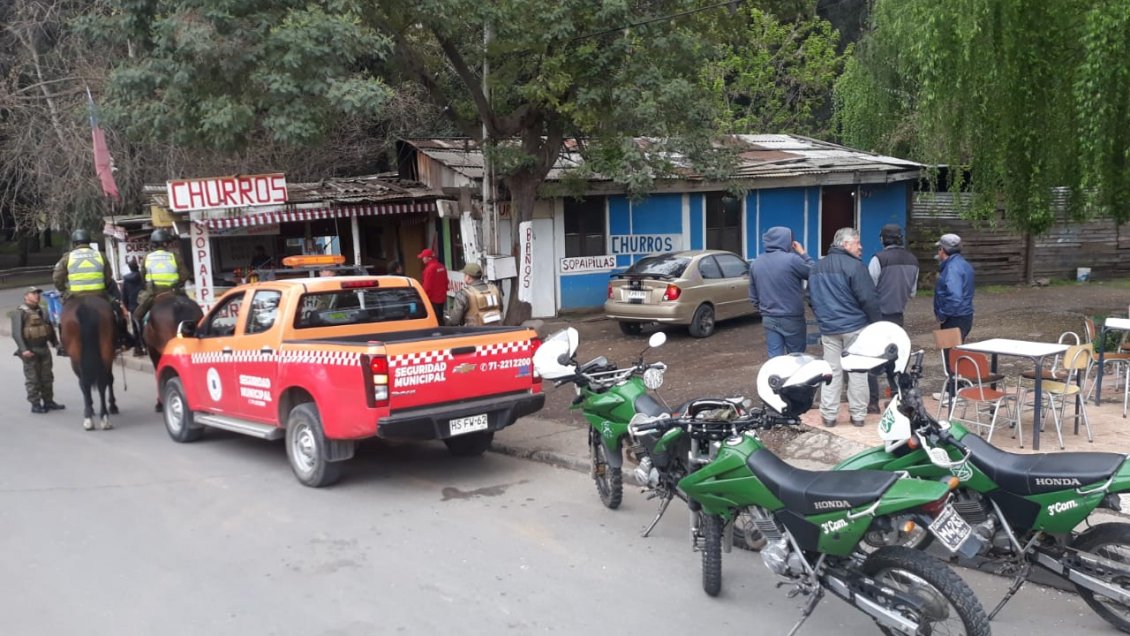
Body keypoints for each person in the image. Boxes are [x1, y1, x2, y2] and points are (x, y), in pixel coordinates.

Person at [808, 227, 880, 428]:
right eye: (857, 242)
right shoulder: (856, 267)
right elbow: (868, 299)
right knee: (857, 372)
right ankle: (858, 415)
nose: (861, 246)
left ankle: (829, 415)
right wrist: (878, 325)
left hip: (829, 329)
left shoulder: (816, 267)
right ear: (845, 244)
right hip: (855, 328)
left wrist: (824, 317)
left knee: (831, 372)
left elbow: (810, 299)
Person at [866, 224, 919, 412]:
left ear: (883, 239)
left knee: (871, 359)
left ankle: (873, 402)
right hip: (898, 317)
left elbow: (868, 289)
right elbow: (912, 292)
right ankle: (898, 397)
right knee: (896, 359)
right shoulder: (913, 260)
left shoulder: (878, 259)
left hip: (877, 317)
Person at [54, 229, 128, 348]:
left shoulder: (67, 257)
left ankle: (63, 345)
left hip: (75, 295)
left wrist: (64, 290)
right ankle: (121, 338)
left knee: (62, 318)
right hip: (99, 294)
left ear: (74, 243)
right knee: (116, 313)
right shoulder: (100, 255)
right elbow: (108, 277)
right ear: (89, 242)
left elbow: (57, 278)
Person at [748, 226, 814, 357]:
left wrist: (764, 310)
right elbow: (815, 272)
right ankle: (794, 378)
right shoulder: (792, 260)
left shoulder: (756, 263)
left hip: (769, 317)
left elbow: (753, 295)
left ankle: (777, 378)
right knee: (796, 358)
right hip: (792, 317)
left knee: (775, 358)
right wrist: (803, 253)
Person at [934, 233, 975, 402]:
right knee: (956, 354)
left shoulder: (952, 268)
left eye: (939, 248)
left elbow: (955, 296)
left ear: (943, 250)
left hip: (954, 317)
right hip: (964, 315)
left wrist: (943, 315)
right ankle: (958, 390)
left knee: (950, 357)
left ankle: (954, 394)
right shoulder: (964, 264)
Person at [10, 287, 65, 414]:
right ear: (26, 296)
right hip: (30, 350)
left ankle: (48, 401)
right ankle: (35, 404)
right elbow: (16, 333)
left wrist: (56, 344)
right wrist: (24, 350)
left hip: (43, 348)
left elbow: (49, 329)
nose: (37, 296)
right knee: (33, 379)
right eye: (33, 294)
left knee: (47, 377)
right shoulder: (20, 312)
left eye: (38, 294)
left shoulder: (43, 310)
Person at [133, 229, 191, 324]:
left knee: (136, 316)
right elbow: (185, 275)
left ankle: (138, 336)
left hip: (153, 295)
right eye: (168, 243)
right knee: (190, 309)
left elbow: (142, 276)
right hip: (174, 292)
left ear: (154, 244)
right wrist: (178, 283)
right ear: (165, 244)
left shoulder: (147, 257)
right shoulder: (175, 256)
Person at [121, 256, 146, 356]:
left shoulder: (126, 280)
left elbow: (124, 295)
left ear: (130, 268)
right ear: (137, 267)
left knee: (136, 327)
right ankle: (146, 344)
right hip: (144, 305)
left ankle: (138, 347)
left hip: (133, 306)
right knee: (145, 324)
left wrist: (126, 306)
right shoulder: (142, 278)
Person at [417, 248, 448, 324]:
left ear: (429, 258)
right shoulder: (441, 266)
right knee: (440, 317)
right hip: (442, 298)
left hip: (433, 299)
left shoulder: (429, 269)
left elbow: (427, 287)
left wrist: (424, 298)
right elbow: (446, 282)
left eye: (423, 257)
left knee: (435, 320)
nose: (422, 259)